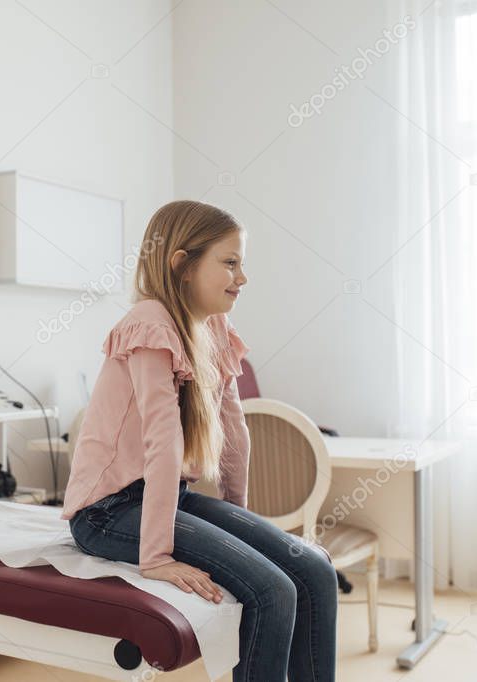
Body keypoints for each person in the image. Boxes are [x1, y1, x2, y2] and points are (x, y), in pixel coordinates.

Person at [61, 200, 338, 681]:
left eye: (241, 263)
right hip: (106, 512)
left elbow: (234, 430)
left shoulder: (214, 327)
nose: (242, 277)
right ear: (182, 265)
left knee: (313, 568)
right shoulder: (150, 322)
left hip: (167, 497)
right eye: (229, 262)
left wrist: (240, 517)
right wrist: (156, 558)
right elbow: (161, 442)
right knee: (273, 590)